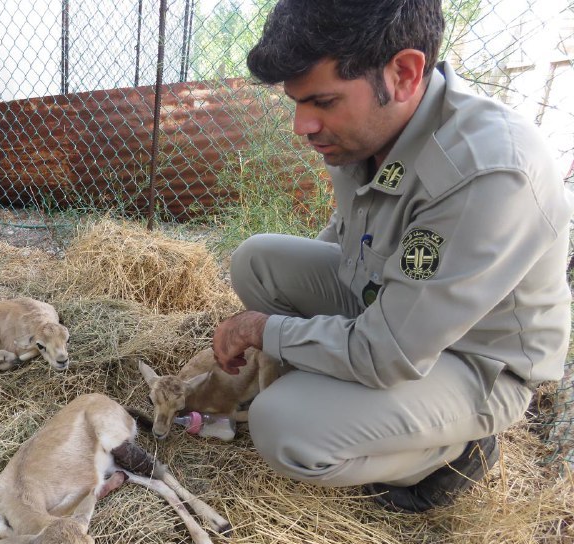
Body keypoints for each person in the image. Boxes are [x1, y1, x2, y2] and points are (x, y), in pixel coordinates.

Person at [211, 0, 573, 513]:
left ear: (403, 74)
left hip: (472, 362)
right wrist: (302, 335)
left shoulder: (486, 171)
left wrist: (266, 330)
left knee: (283, 426)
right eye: (296, 103)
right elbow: (348, 238)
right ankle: (346, 399)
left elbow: (387, 352)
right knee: (257, 262)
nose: (302, 125)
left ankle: (449, 455)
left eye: (322, 101)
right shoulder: (367, 134)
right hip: (388, 307)